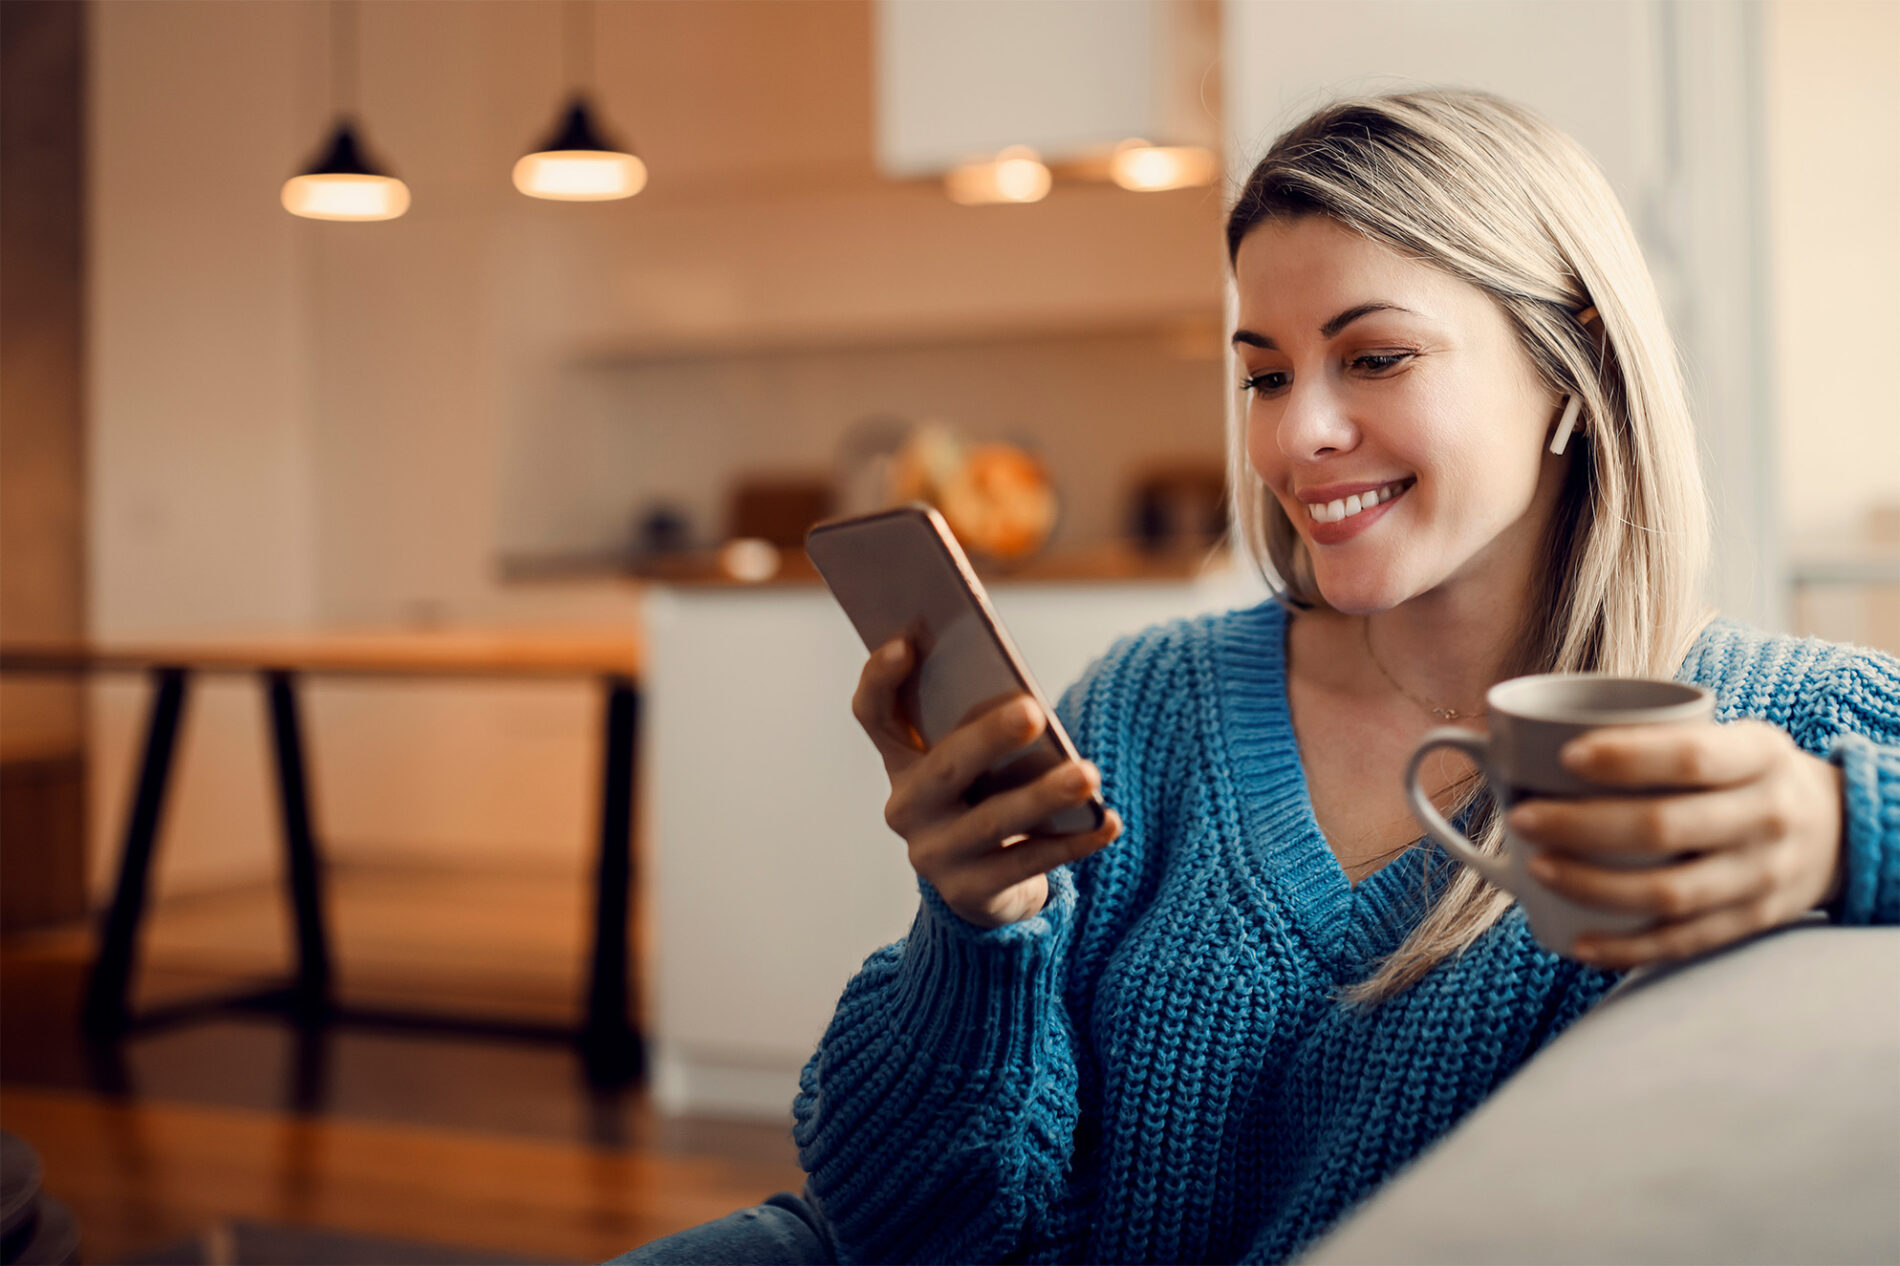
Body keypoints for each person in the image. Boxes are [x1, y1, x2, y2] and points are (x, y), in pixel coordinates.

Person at [612, 89, 1899, 1265]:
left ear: (1571, 363)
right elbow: (911, 1225)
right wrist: (976, 933)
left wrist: (1843, 828)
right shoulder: (1152, 703)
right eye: (1263, 375)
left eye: (1375, 356)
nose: (1296, 435)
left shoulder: (1780, 723)